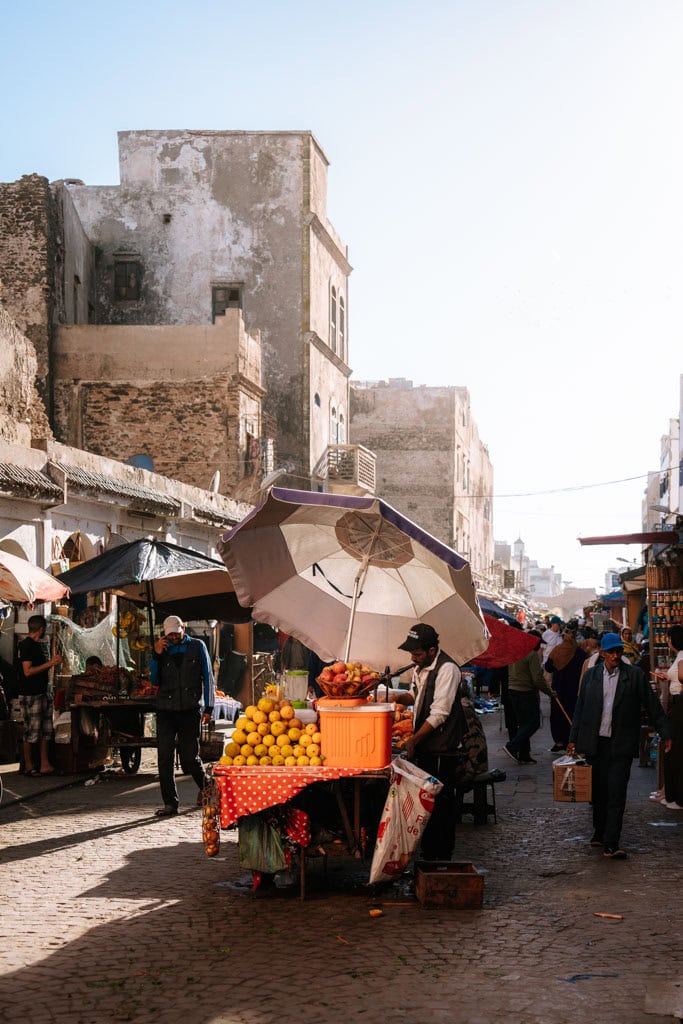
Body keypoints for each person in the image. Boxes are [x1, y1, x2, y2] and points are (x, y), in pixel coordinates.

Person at [567, 632, 672, 859]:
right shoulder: (591, 676)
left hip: (620, 744)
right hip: (596, 743)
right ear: (603, 653)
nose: (616, 655)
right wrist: (573, 738)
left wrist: (666, 733)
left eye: (619, 651)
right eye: (612, 651)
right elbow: (581, 708)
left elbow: (652, 707)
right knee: (598, 792)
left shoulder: (634, 676)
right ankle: (599, 832)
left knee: (616, 792)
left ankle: (611, 842)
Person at [392, 622, 464, 861]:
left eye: (418, 653)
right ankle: (429, 854)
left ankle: (441, 857)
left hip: (443, 749)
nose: (413, 657)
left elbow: (439, 712)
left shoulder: (448, 670)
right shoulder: (420, 667)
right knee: (427, 803)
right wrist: (390, 696)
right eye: (411, 653)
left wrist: (413, 741)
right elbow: (417, 696)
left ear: (432, 650)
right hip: (426, 748)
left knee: (441, 804)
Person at [150, 615, 215, 818]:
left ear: (183, 629)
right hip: (166, 710)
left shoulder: (198, 646)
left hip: (190, 709)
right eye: (170, 635)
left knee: (189, 757)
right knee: (165, 757)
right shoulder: (162, 649)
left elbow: (208, 676)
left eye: (176, 634)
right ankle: (170, 803)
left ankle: (206, 786)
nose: (173, 638)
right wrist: (156, 654)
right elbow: (154, 679)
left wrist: (209, 707)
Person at [17, 614, 62, 776]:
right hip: (31, 695)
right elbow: (27, 671)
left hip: (42, 693)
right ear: (41, 629)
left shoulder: (37, 645)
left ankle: (44, 764)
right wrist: (50, 664)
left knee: (45, 731)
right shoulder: (26, 645)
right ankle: (29, 766)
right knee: (32, 731)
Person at [503, 631, 554, 765]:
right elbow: (537, 678)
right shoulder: (531, 655)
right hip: (525, 692)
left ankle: (524, 754)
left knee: (524, 724)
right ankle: (512, 746)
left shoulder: (515, 653)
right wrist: (549, 692)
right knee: (533, 722)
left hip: (513, 691)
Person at [654, 625, 683, 810]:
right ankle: (672, 794)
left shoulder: (681, 656)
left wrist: (675, 681)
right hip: (677, 703)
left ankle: (677, 797)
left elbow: (681, 676)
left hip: (679, 705)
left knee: (675, 749)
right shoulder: (679, 656)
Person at [544, 628, 587, 753]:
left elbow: (548, 667)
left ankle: (559, 742)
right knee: (573, 713)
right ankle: (572, 741)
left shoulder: (556, 651)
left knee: (557, 715)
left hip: (558, 689)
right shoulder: (579, 652)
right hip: (574, 689)